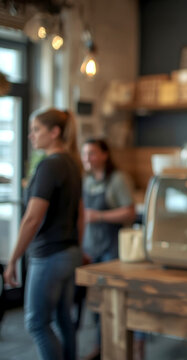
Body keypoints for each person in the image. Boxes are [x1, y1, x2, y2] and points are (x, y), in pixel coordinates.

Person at [3, 109, 83, 360]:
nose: (31, 136)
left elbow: (32, 218)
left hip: (49, 255)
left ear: (54, 132)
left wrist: (13, 258)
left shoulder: (49, 165)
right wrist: (79, 248)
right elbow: (81, 215)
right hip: (69, 252)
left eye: (36, 129)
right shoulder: (72, 162)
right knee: (63, 320)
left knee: (37, 324)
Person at [78, 138, 139, 360]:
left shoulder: (118, 179)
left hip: (112, 248)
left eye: (92, 153)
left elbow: (129, 212)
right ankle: (100, 347)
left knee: (113, 302)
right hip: (91, 247)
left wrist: (100, 216)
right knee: (95, 300)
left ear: (105, 155)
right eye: (85, 154)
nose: (87, 158)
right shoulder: (85, 180)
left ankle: (115, 348)